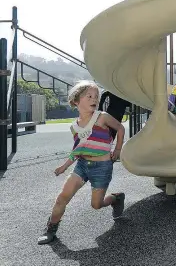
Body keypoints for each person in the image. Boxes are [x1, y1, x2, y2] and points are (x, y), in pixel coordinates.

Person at [38, 81, 126, 245]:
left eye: (96, 97)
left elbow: (120, 128)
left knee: (96, 205)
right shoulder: (74, 127)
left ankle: (116, 198)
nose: (94, 100)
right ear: (76, 101)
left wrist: (118, 150)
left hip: (102, 168)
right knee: (62, 197)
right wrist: (64, 166)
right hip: (82, 166)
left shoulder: (102, 117)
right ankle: (51, 229)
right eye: (89, 96)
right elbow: (78, 150)